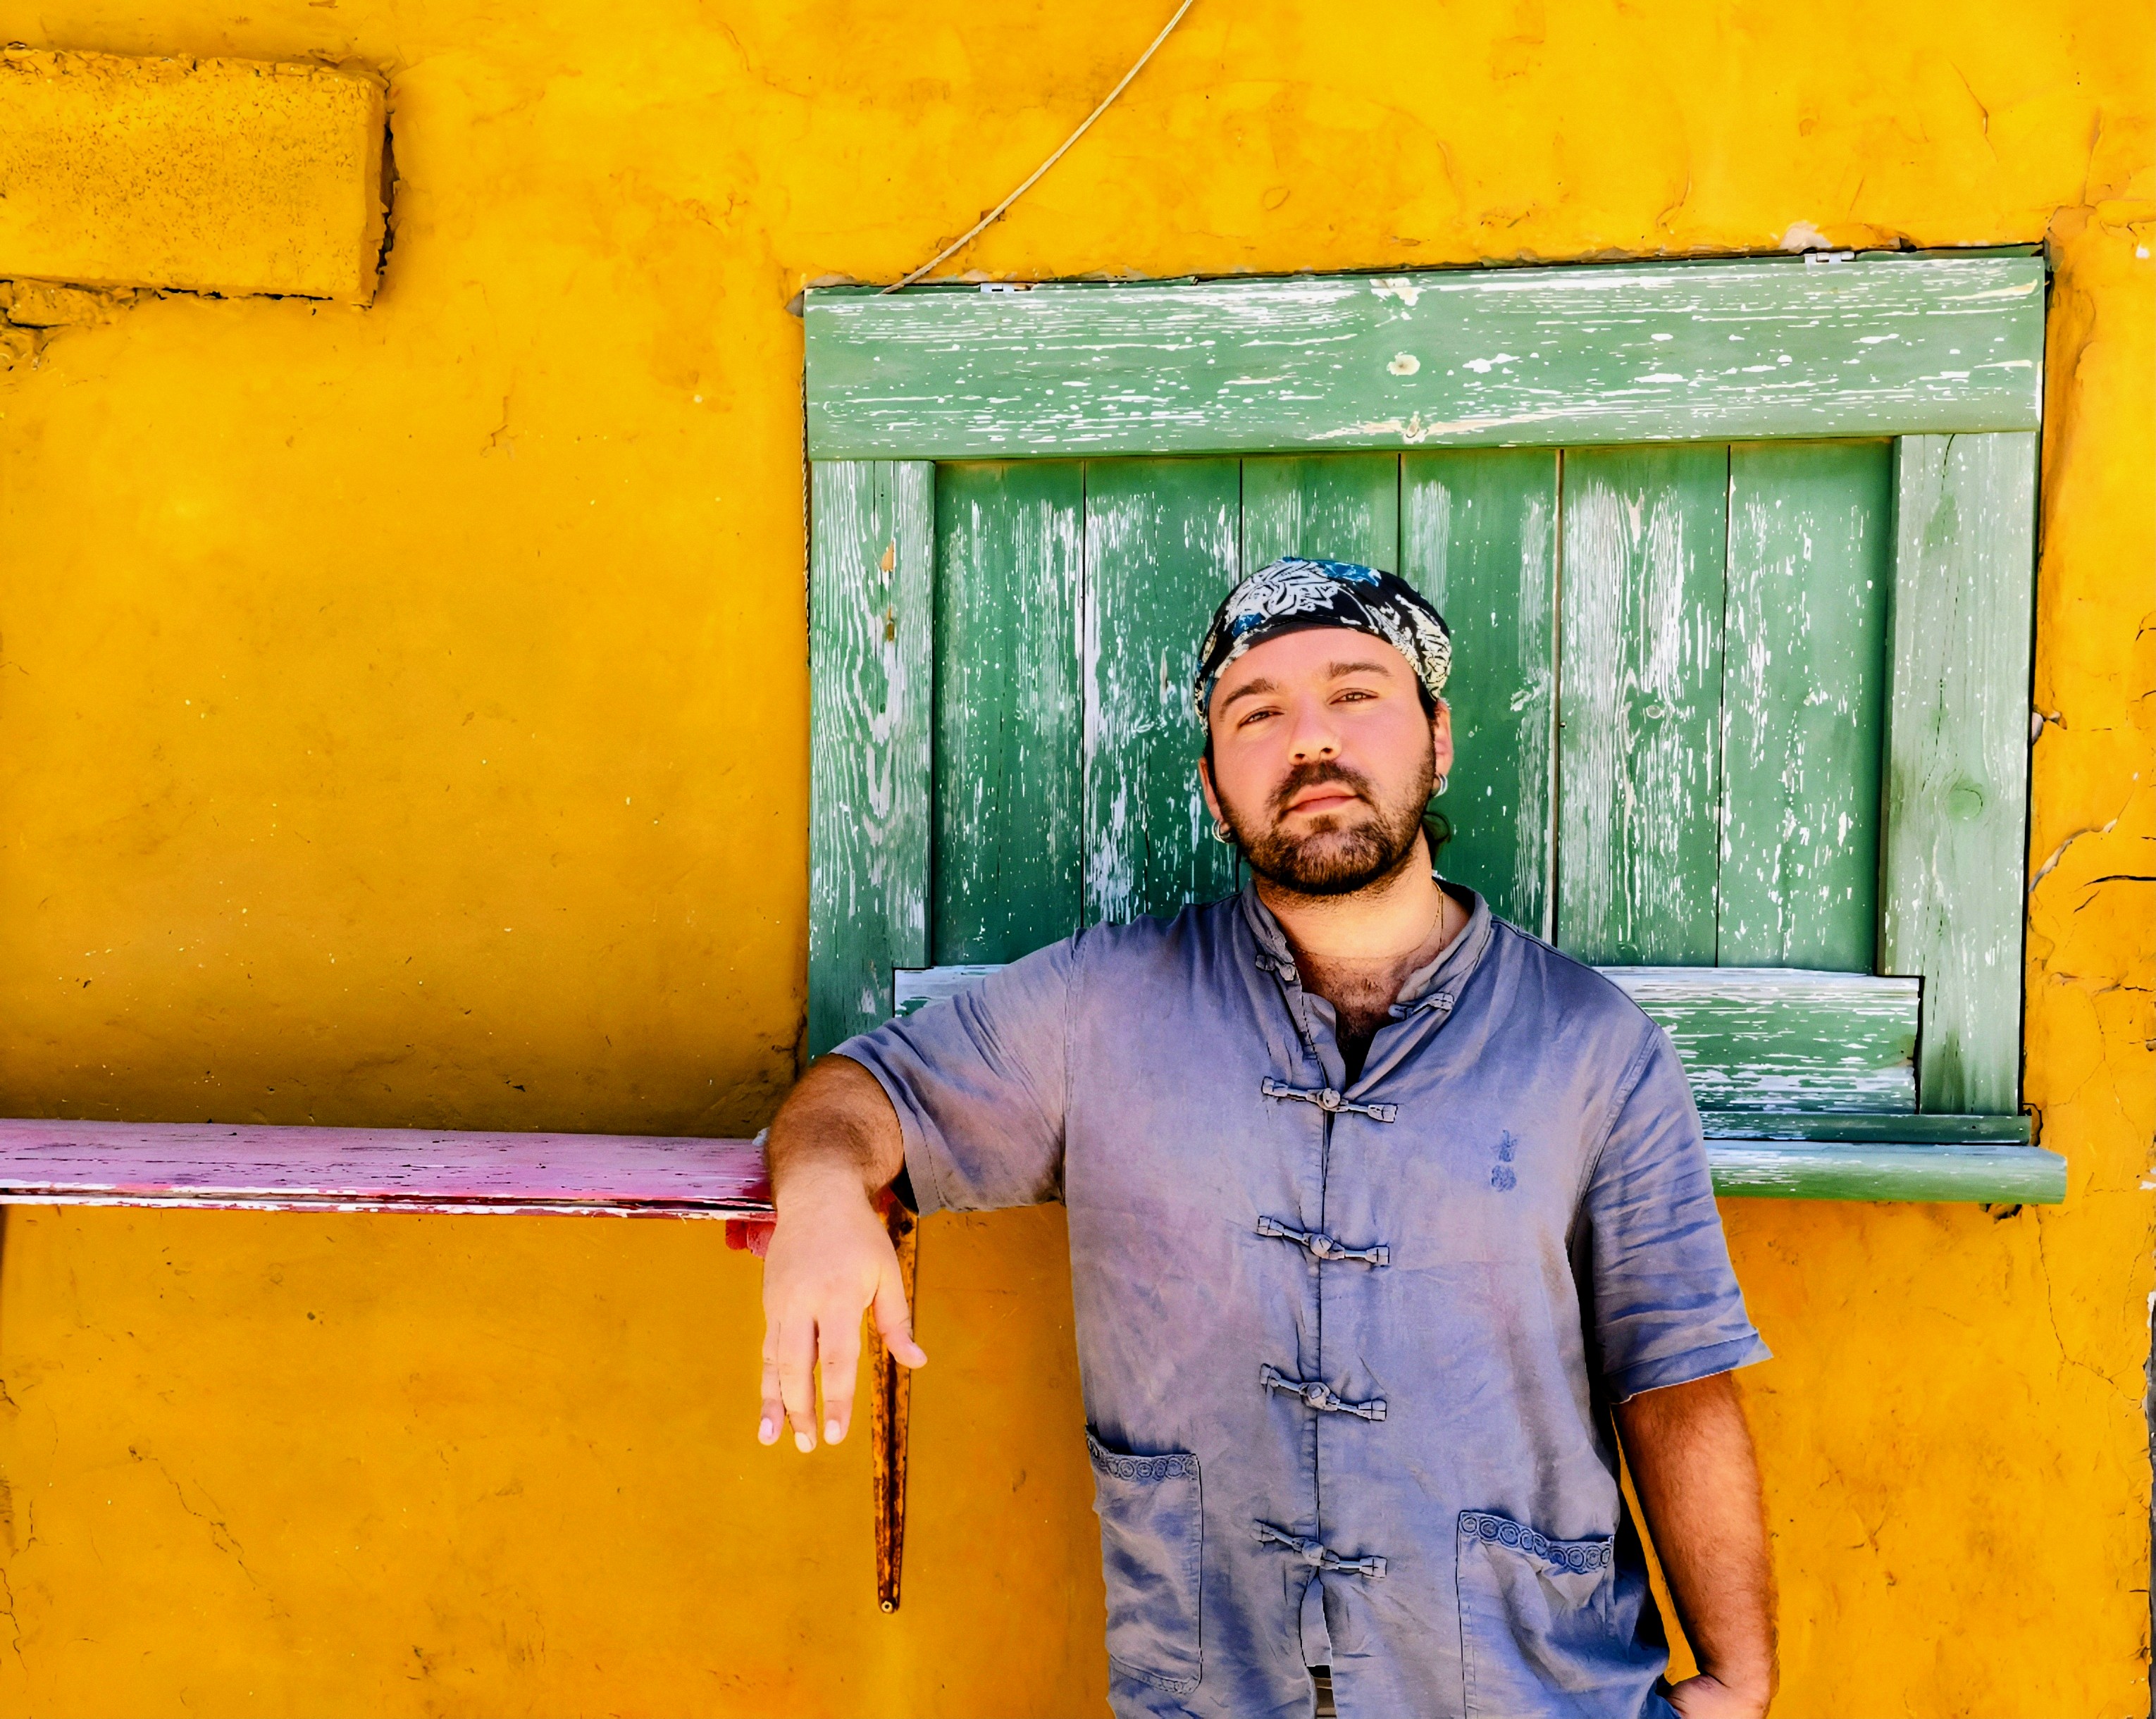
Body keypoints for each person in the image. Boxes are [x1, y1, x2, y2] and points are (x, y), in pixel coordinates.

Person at [757, 557, 1777, 1719]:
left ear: (1438, 740)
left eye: (1356, 695)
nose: (1311, 740)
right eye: (1258, 713)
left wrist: (1740, 1679)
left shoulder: (1592, 1045)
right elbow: (858, 1096)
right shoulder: (1103, 1007)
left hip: (1535, 1691)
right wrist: (825, 1194)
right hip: (1214, 1688)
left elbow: (1675, 1376)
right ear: (1211, 786)